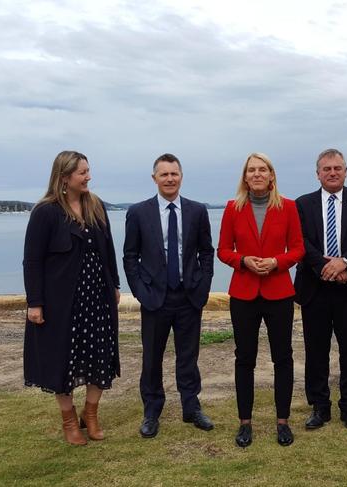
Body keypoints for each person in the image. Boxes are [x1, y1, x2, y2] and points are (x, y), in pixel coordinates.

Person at [23, 150, 121, 446]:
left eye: (88, 171)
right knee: (61, 360)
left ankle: (91, 415)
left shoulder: (96, 206)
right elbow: (33, 261)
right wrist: (35, 302)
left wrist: (114, 285)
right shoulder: (46, 212)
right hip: (60, 304)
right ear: (65, 177)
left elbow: (109, 251)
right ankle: (69, 420)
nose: (88, 176)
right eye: (82, 172)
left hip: (97, 299)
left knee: (99, 357)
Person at [123, 153, 214, 439]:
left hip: (188, 297)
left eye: (174, 174)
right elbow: (130, 256)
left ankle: (191, 407)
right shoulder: (138, 212)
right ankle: (152, 412)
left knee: (188, 356)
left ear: (181, 177)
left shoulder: (198, 211)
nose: (170, 179)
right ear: (155, 179)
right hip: (154, 299)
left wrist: (202, 283)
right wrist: (140, 290)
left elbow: (206, 252)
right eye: (164, 174)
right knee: (152, 358)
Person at [218, 153, 304, 447]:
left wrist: (276, 262)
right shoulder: (232, 209)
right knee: (245, 359)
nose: (256, 174)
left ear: (271, 175)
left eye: (262, 169)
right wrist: (243, 261)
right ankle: (245, 423)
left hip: (278, 291)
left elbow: (297, 249)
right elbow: (223, 250)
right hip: (243, 293)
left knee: (283, 358)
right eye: (251, 170)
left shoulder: (288, 207)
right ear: (245, 177)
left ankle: (283, 422)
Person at [294, 148, 347, 431]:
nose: (332, 172)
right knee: (316, 351)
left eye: (337, 168)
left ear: (346, 170)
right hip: (314, 288)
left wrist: (344, 263)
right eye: (326, 168)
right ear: (317, 173)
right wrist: (325, 268)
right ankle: (319, 408)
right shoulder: (302, 204)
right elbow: (301, 242)